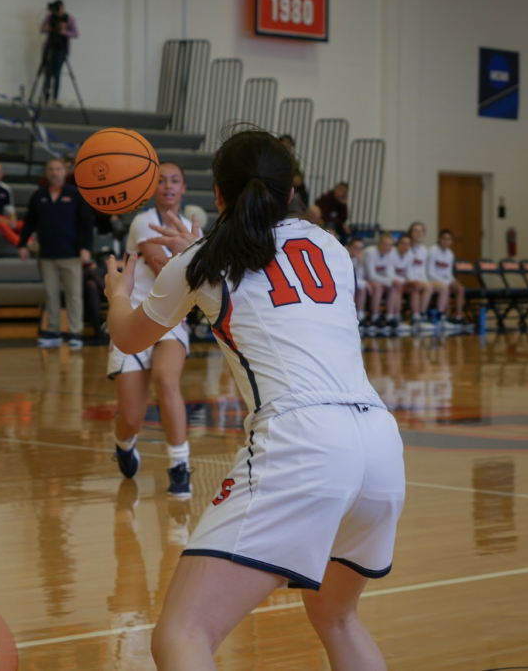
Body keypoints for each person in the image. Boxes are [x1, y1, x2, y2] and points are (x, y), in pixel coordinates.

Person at [102, 130, 404, 671]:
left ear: (217, 193)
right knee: (336, 618)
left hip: (303, 443)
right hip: (379, 445)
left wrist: (118, 293)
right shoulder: (330, 246)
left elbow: (127, 338)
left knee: (182, 635)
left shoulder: (199, 261)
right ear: (289, 192)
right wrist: (198, 248)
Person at [108, 162, 194, 498]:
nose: (168, 186)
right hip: (132, 317)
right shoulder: (144, 221)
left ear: (183, 188)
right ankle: (124, 443)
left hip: (170, 320)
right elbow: (160, 265)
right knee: (131, 417)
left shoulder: (192, 228)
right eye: (161, 181)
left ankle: (179, 466)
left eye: (175, 180)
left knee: (166, 380)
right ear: (151, 189)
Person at [17, 158, 94, 348]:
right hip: (46, 255)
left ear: (65, 172)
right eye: (51, 169)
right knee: (51, 294)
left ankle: (75, 332)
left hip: (71, 255)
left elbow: (87, 224)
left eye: (58, 169)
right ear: (46, 172)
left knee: (74, 295)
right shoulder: (38, 196)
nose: (54, 172)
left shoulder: (75, 195)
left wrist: (86, 248)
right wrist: (22, 244)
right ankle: (53, 331)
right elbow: (29, 222)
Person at [427, 229, 468, 331]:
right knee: (445, 288)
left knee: (460, 288)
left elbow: (448, 273)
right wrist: (447, 282)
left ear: (452, 241)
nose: (446, 241)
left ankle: (459, 317)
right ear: (439, 239)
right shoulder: (432, 251)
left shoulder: (450, 253)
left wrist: (453, 280)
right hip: (431, 280)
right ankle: (444, 316)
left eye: (449, 239)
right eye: (444, 239)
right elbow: (430, 273)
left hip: (444, 281)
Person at [40, 0, 78, 106]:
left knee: (57, 74)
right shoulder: (50, 17)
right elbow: (42, 28)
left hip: (61, 50)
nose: (58, 10)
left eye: (59, 8)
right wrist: (49, 28)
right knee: (47, 73)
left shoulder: (69, 19)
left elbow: (75, 33)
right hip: (49, 48)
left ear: (63, 8)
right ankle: (45, 98)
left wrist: (64, 31)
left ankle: (55, 98)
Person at [364, 233, 403, 335]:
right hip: (363, 278)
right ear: (379, 244)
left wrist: (394, 281)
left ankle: (390, 317)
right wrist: (390, 281)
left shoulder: (391, 253)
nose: (388, 247)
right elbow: (370, 275)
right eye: (385, 244)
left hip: (377, 279)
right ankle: (374, 317)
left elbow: (389, 273)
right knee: (379, 286)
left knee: (393, 287)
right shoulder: (370, 252)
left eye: (390, 245)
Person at [405, 222, 435, 331]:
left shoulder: (424, 250)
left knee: (430, 286)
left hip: (420, 279)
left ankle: (422, 316)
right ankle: (418, 316)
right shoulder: (406, 247)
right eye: (416, 230)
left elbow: (422, 269)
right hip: (406, 279)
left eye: (421, 231)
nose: (419, 233)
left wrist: (425, 281)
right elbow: (405, 267)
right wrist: (412, 280)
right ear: (410, 233)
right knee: (421, 287)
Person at [279, 134, 308, 207]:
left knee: (302, 188)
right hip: (280, 182)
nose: (287, 145)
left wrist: (298, 178)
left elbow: (299, 174)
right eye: (285, 142)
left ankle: (304, 208)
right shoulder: (275, 156)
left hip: (291, 184)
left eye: (289, 143)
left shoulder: (292, 159)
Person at [348, 238, 368, 323]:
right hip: (342, 282)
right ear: (350, 247)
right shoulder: (342, 254)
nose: (357, 250)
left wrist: (359, 263)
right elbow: (347, 276)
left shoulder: (360, 257)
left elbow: (359, 276)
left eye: (360, 248)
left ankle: (360, 316)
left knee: (362, 286)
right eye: (355, 247)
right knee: (361, 284)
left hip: (353, 281)